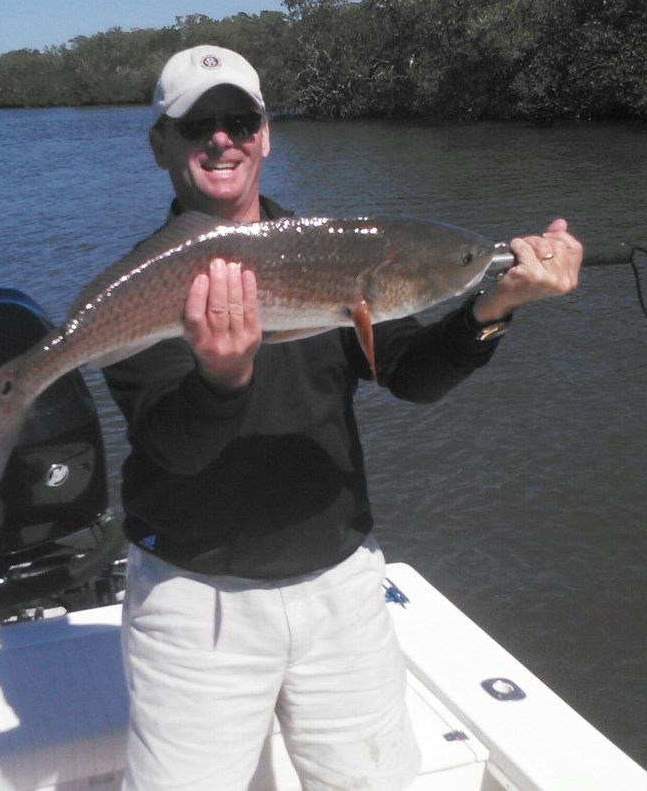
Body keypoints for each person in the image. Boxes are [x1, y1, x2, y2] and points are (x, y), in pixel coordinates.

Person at [103, 45, 583, 790]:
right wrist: (222, 377)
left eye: (239, 121)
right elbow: (171, 447)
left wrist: (492, 306)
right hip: (195, 602)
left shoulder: (339, 254)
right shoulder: (136, 290)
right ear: (159, 144)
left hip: (341, 585)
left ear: (264, 135)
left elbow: (411, 376)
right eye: (198, 126)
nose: (222, 139)